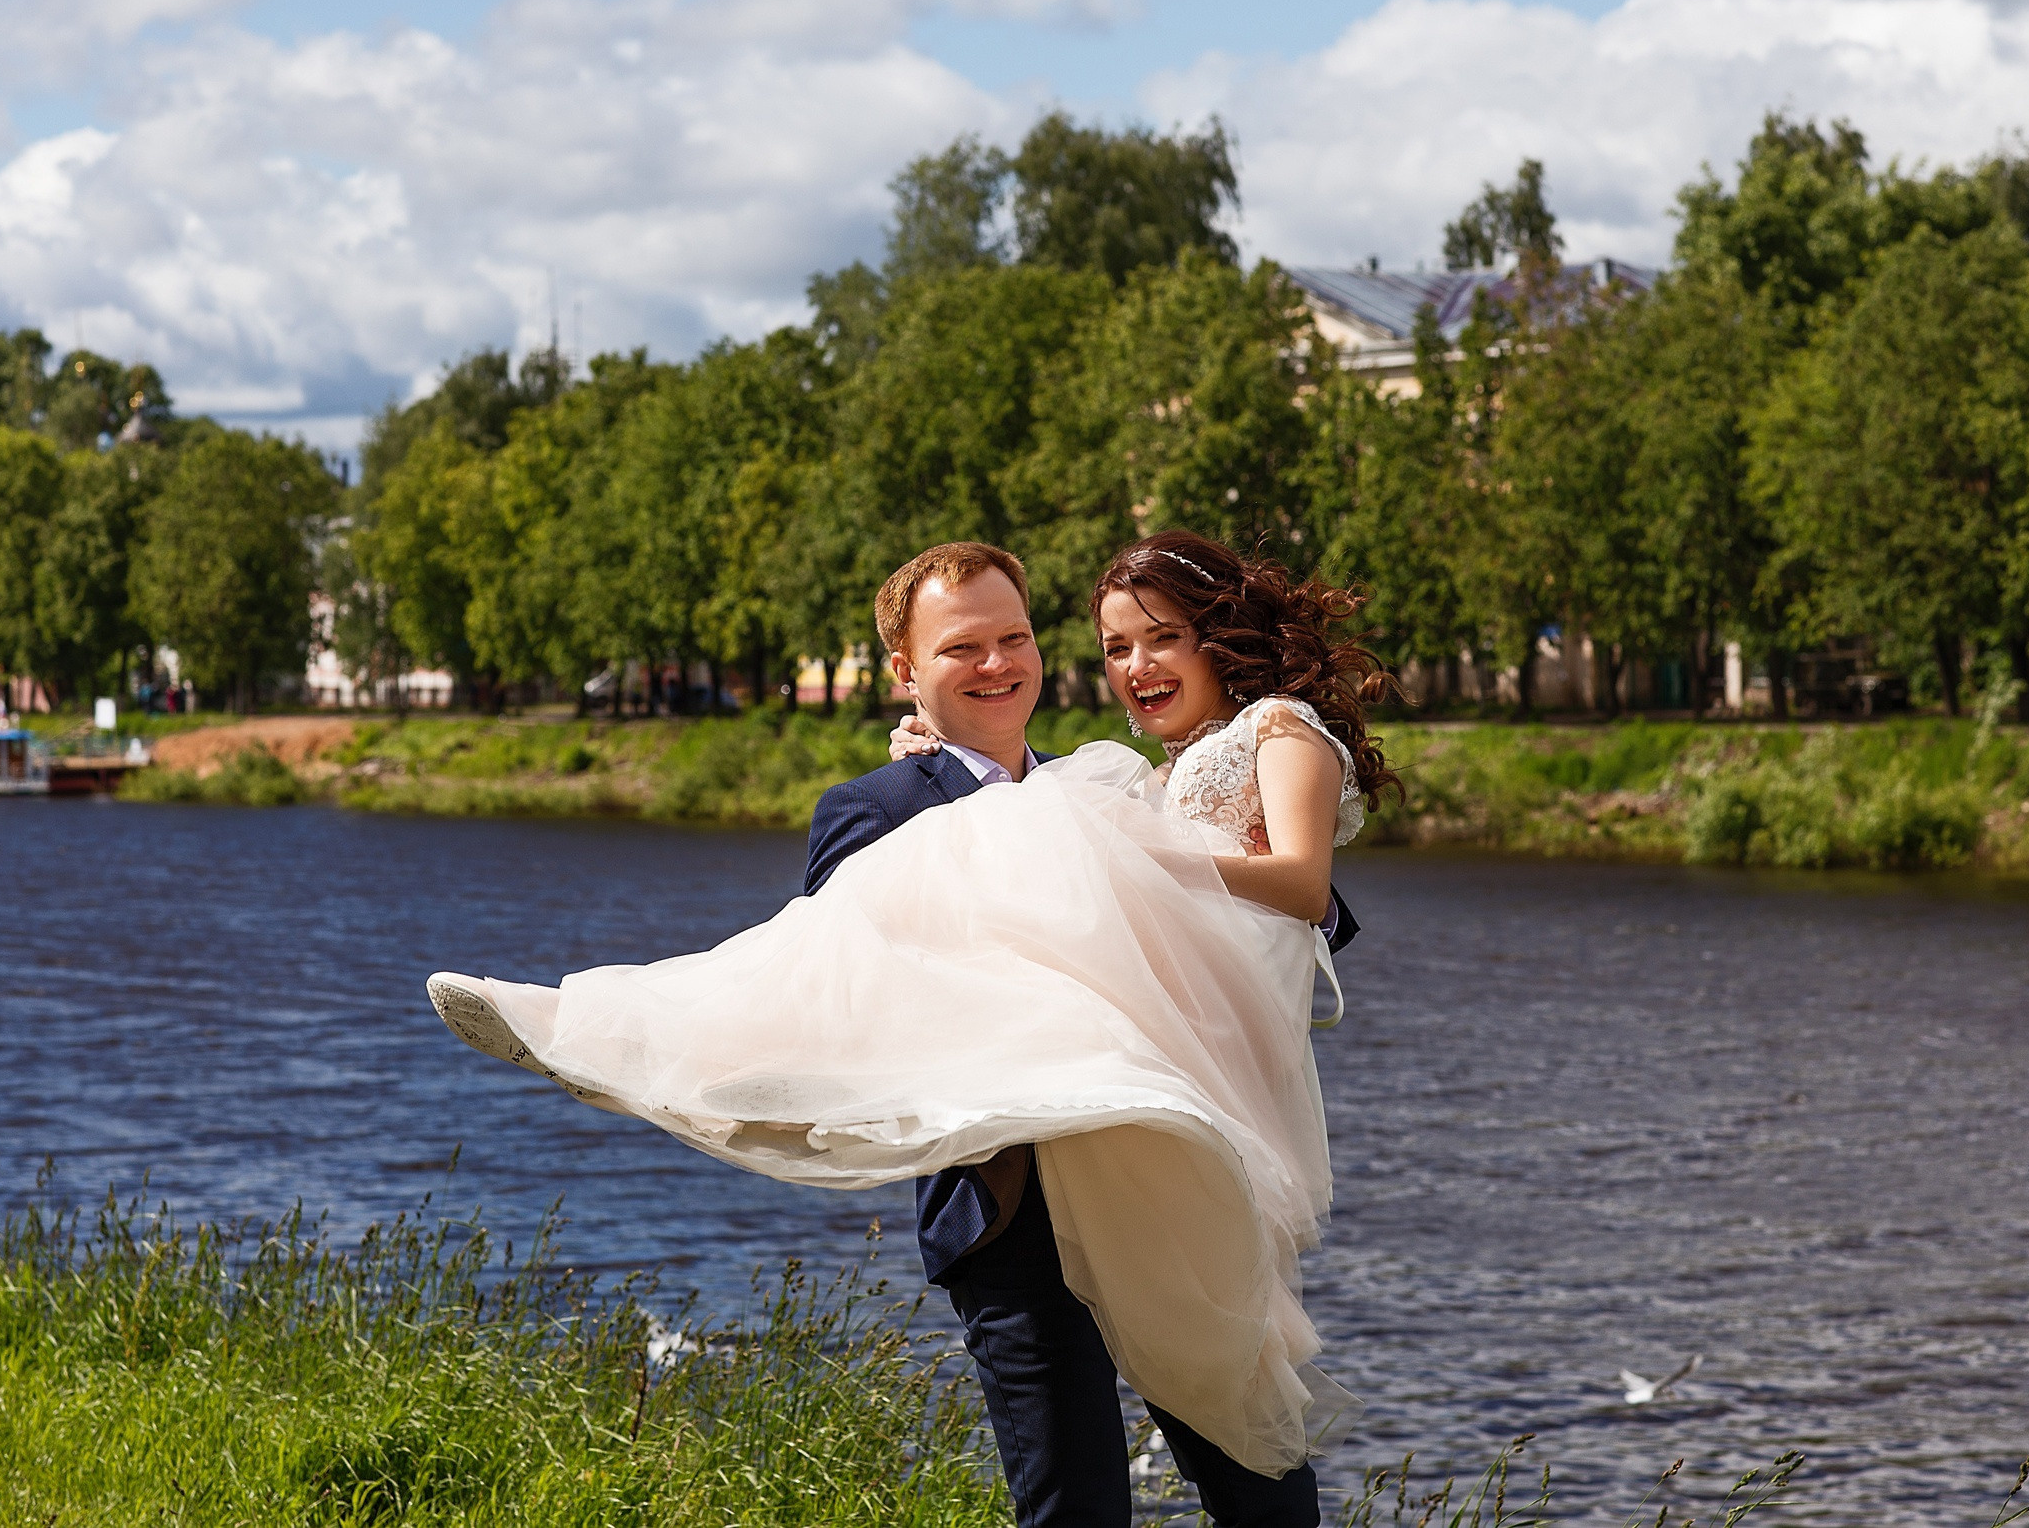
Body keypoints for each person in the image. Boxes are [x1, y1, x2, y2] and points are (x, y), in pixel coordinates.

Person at [427, 533, 1396, 1527]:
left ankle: (603, 1036)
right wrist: (969, 830)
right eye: (963, 648)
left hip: (1169, 1171)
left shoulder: (1100, 794)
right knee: (1076, 1506)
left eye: (1013, 639)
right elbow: (839, 985)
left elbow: (1285, 904)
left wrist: (1095, 848)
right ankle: (596, 1033)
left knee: (1258, 1482)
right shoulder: (878, 809)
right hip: (1008, 1206)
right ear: (905, 671)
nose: (996, 663)